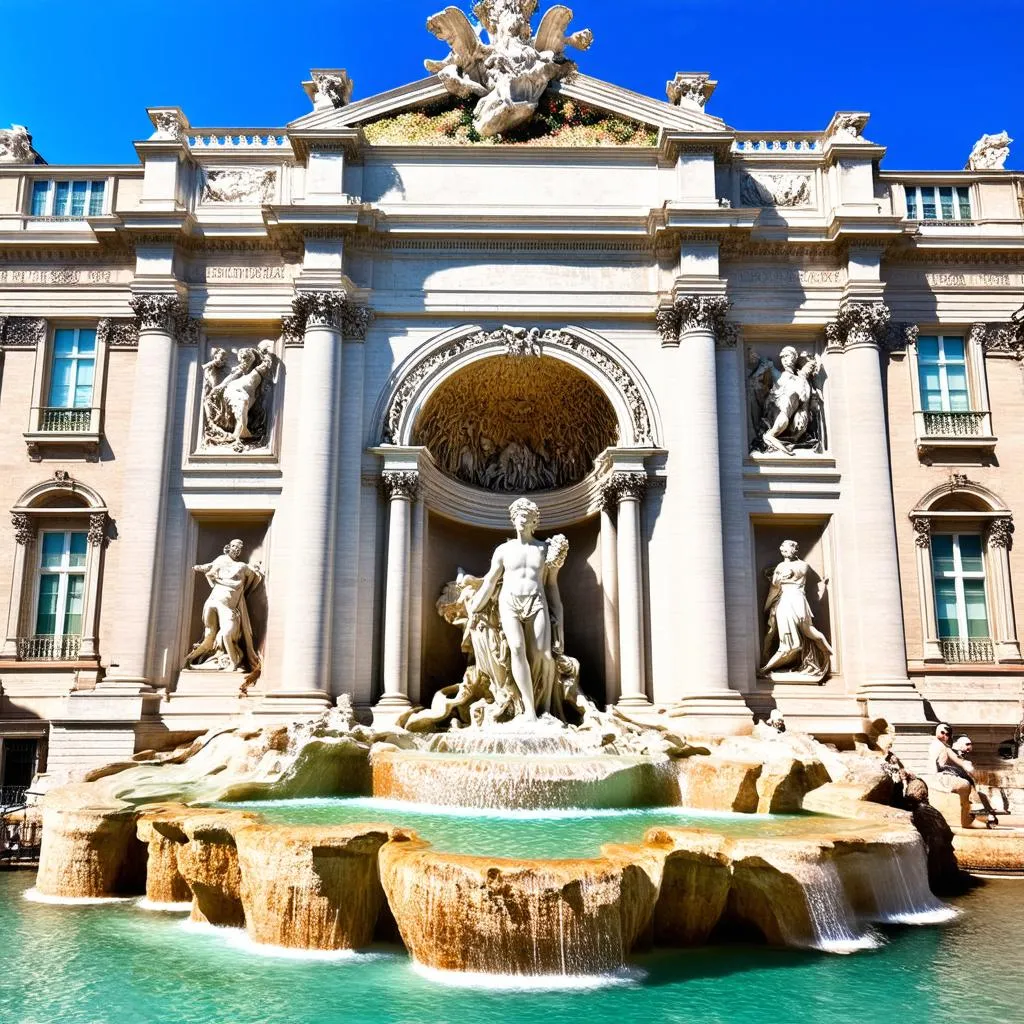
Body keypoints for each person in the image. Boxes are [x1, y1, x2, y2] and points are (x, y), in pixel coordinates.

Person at [467, 498, 565, 722]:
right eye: (517, 515)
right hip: (509, 602)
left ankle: (546, 708)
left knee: (544, 654)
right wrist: (475, 607)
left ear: (534, 521)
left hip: (536, 601)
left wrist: (560, 618)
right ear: (512, 519)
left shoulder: (544, 549)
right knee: (518, 649)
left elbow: (551, 585)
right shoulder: (503, 550)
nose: (521, 518)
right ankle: (529, 711)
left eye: (526, 515)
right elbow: (491, 581)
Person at [185, 539, 263, 674]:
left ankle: (233, 664)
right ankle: (188, 661)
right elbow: (209, 567)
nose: (236, 549)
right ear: (228, 547)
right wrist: (200, 568)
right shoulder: (221, 559)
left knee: (226, 634)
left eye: (239, 548)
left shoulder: (242, 566)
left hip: (228, 606)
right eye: (234, 546)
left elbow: (249, 578)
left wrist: (256, 568)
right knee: (209, 635)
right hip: (213, 600)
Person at [760, 540, 833, 679]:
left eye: (787, 548)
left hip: (798, 600)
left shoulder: (802, 564)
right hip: (784, 602)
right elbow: (775, 584)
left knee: (809, 631)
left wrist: (784, 574)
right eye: (782, 549)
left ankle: (829, 653)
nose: (784, 551)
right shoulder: (781, 565)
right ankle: (765, 669)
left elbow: (798, 573)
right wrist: (778, 576)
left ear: (795, 550)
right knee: (788, 642)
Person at [928, 723, 998, 826]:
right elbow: (952, 762)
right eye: (942, 733)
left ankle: (982, 814)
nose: (945, 736)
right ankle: (981, 814)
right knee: (967, 785)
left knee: (972, 789)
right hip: (944, 778)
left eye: (947, 734)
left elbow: (959, 763)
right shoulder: (942, 747)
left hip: (952, 776)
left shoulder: (945, 747)